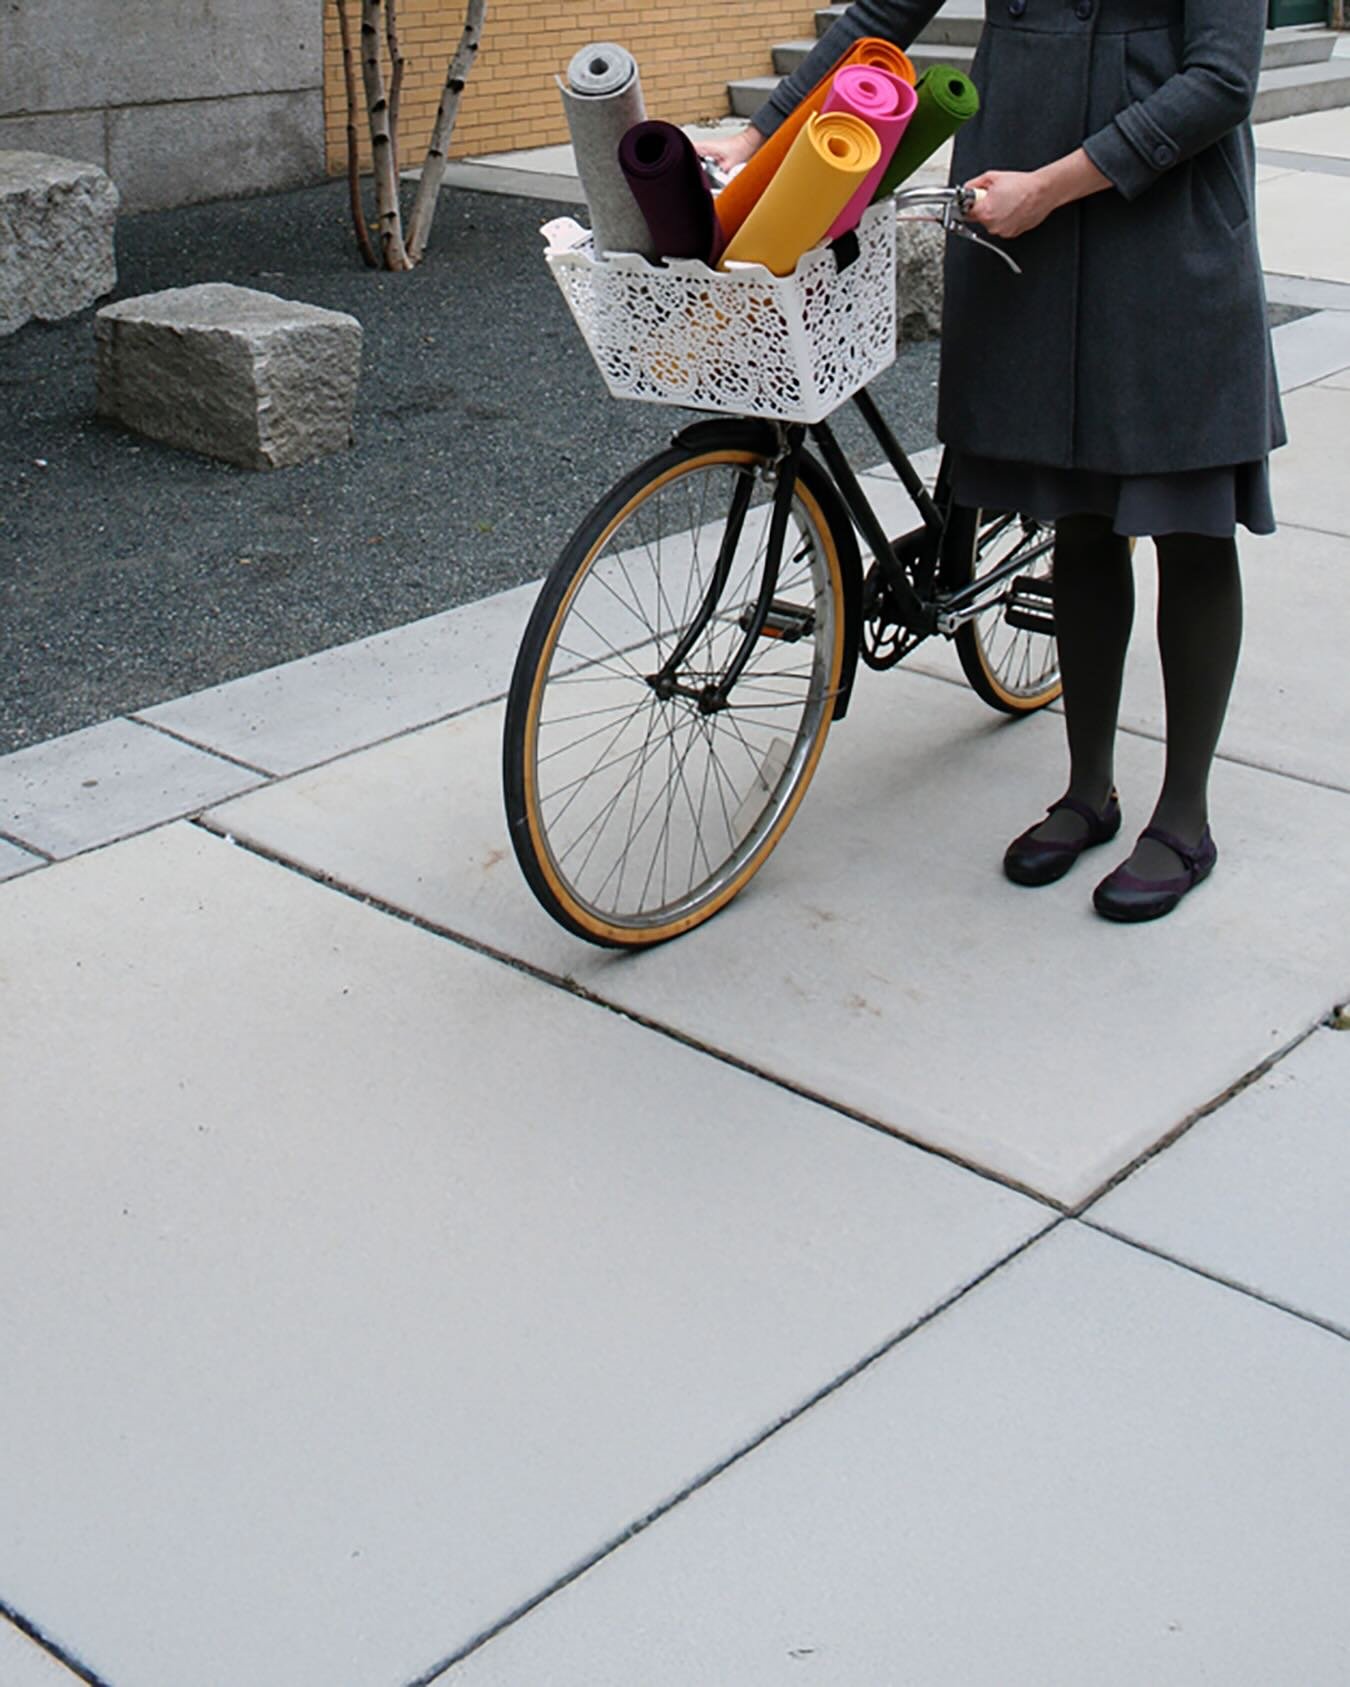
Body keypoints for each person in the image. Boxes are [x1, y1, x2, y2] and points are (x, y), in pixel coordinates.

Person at [698, 0, 1285, 922]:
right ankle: (1088, 791)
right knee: (1082, 515)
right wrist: (762, 134)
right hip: (1024, 226)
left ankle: (1184, 817)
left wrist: (1050, 187)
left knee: (1187, 521)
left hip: (1163, 234)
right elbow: (882, 14)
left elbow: (1220, 81)